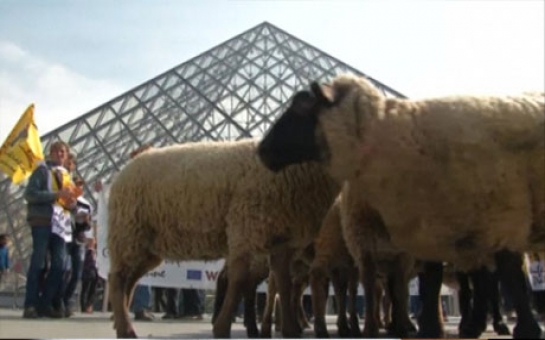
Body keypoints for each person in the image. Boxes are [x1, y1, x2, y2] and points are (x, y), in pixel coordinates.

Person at [22, 140, 76, 319]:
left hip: (61, 225)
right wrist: (57, 195)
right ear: (51, 153)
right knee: (39, 264)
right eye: (57, 151)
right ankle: (30, 304)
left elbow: (68, 203)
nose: (61, 154)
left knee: (60, 266)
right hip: (43, 222)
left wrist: (72, 205)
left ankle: (45, 302)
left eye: (63, 152)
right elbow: (29, 194)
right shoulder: (42, 171)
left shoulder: (67, 175)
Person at [80, 237, 98, 313]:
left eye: (93, 241)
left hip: (95, 273)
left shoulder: (96, 252)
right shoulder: (86, 252)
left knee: (93, 290)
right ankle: (84, 306)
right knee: (85, 289)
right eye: (90, 241)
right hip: (87, 272)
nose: (91, 243)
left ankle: (89, 305)